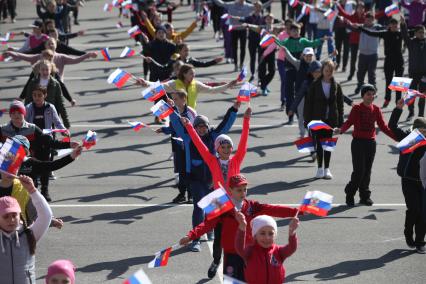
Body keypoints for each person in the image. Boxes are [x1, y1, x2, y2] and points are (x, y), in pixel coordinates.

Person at [179, 174, 299, 281]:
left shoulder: (252, 206)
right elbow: (207, 224)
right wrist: (191, 236)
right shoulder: (220, 204)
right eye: (239, 190)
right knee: (232, 281)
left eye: (245, 189)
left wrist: (298, 211)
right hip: (231, 254)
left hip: (250, 253)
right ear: (230, 190)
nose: (243, 193)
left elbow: (274, 209)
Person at [169, 102, 240, 254]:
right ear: (194, 128)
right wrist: (173, 109)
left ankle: (210, 230)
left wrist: (234, 109)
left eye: (204, 126)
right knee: (199, 207)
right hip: (194, 179)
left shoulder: (214, 137)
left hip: (213, 179)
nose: (201, 129)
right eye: (198, 126)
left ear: (208, 127)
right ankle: (196, 239)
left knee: (213, 207)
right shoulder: (188, 138)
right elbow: (176, 122)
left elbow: (225, 125)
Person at [335, 84, 396, 206]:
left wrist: (397, 138)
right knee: (359, 171)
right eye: (368, 94)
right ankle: (350, 192)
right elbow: (349, 122)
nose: (371, 96)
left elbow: (383, 127)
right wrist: (340, 130)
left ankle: (364, 196)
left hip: (371, 144)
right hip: (358, 143)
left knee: (367, 171)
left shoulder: (377, 110)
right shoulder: (357, 108)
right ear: (363, 95)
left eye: (373, 94)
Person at [388, 99, 426, 254]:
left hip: (424, 182)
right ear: (414, 131)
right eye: (420, 131)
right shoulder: (407, 139)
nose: (423, 134)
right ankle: (408, 233)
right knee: (414, 209)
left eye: (425, 131)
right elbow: (392, 127)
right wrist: (398, 109)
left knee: (424, 212)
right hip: (409, 180)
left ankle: (420, 242)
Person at [0, 175, 53, 283]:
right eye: (6, 216)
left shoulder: (29, 234)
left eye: (14, 215)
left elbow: (46, 215)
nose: (11, 220)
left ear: (20, 214)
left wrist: (32, 191)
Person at [274, 23, 324, 123]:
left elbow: (313, 43)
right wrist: (273, 37)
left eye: (298, 30)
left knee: (299, 93)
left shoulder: (303, 41)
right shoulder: (287, 41)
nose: (296, 32)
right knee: (289, 93)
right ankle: (290, 115)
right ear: (290, 32)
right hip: (290, 70)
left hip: (301, 71)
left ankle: (299, 113)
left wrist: (321, 40)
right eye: (293, 31)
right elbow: (279, 43)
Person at [304, 59, 344, 179]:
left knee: (328, 145)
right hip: (317, 119)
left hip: (331, 119)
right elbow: (308, 103)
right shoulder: (315, 85)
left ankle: (327, 169)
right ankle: (319, 168)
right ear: (322, 70)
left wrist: (340, 123)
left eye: (331, 71)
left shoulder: (336, 86)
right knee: (319, 145)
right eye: (326, 70)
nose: (328, 73)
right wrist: (307, 120)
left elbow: (340, 104)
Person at [137, 64, 237, 110]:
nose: (193, 76)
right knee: (176, 138)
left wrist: (228, 85)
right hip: (178, 114)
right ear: (184, 74)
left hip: (191, 114)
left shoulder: (196, 84)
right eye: (191, 74)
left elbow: (212, 91)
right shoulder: (175, 84)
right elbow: (159, 86)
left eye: (194, 74)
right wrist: (145, 83)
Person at [157, 91, 197, 203]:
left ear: (184, 99)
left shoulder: (191, 112)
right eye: (173, 99)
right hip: (178, 145)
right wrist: (163, 130)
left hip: (189, 145)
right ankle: (182, 193)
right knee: (180, 170)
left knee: (189, 169)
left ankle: (191, 194)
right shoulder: (173, 111)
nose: (173, 101)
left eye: (176, 99)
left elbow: (196, 129)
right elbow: (172, 128)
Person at [235, 214, 299, 283]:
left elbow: (292, 247)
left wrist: (292, 232)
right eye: (262, 233)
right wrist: (242, 228)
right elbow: (239, 248)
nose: (267, 237)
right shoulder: (250, 251)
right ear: (255, 236)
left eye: (271, 234)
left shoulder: (278, 251)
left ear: (275, 235)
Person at [356, 16, 404, 108]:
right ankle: (387, 99)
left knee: (399, 83)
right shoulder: (385, 33)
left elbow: (410, 32)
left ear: (397, 26)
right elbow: (371, 33)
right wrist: (360, 28)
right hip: (389, 60)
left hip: (399, 60)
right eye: (392, 25)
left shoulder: (401, 34)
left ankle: (398, 101)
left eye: (396, 25)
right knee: (389, 81)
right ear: (389, 25)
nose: (394, 26)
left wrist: (403, 24)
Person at [213, 0, 273, 71]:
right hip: (233, 30)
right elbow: (221, 4)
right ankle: (235, 64)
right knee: (234, 48)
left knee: (243, 48)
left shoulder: (248, 6)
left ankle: (241, 64)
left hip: (243, 30)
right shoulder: (231, 4)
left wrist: (270, 1)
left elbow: (261, 6)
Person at [401, 20, 426, 120]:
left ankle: (421, 116)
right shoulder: (411, 42)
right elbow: (405, 35)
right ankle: (411, 112)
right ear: (415, 33)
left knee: (423, 95)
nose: (422, 34)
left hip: (424, 74)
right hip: (413, 73)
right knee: (410, 95)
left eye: (423, 32)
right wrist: (403, 25)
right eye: (420, 32)